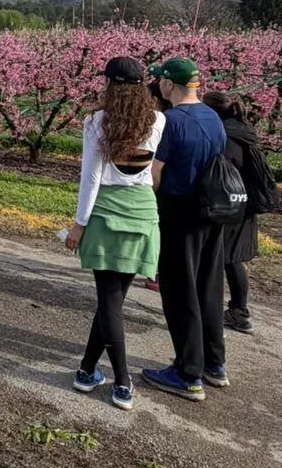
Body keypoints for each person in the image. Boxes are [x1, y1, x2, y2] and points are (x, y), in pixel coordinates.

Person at [65, 58, 166, 411]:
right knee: (113, 301)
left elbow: (90, 178)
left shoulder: (96, 121)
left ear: (109, 83)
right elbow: (151, 175)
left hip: (107, 212)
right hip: (141, 211)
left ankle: (122, 382)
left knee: (109, 302)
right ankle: (86, 370)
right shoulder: (158, 120)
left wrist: (79, 224)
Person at [142, 58, 229, 402]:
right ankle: (214, 364)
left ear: (168, 84)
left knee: (179, 291)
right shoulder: (213, 117)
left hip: (178, 212)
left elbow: (155, 174)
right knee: (208, 287)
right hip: (211, 211)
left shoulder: (170, 121)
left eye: (160, 80)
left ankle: (187, 372)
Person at [204, 92, 275, 335]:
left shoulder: (226, 137)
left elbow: (220, 171)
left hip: (229, 205)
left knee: (223, 258)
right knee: (233, 259)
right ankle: (239, 311)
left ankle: (230, 312)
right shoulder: (244, 131)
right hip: (244, 203)